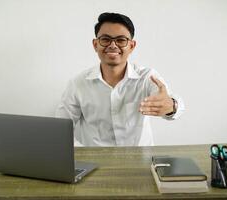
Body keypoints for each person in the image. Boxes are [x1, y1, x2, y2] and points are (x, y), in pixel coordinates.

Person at [56, 12, 185, 146]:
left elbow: (176, 106)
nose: (112, 45)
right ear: (95, 44)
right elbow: (60, 129)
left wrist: (171, 106)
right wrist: (84, 154)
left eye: (121, 40)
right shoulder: (78, 84)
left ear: (131, 46)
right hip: (95, 162)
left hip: (141, 160)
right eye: (105, 39)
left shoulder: (147, 77)